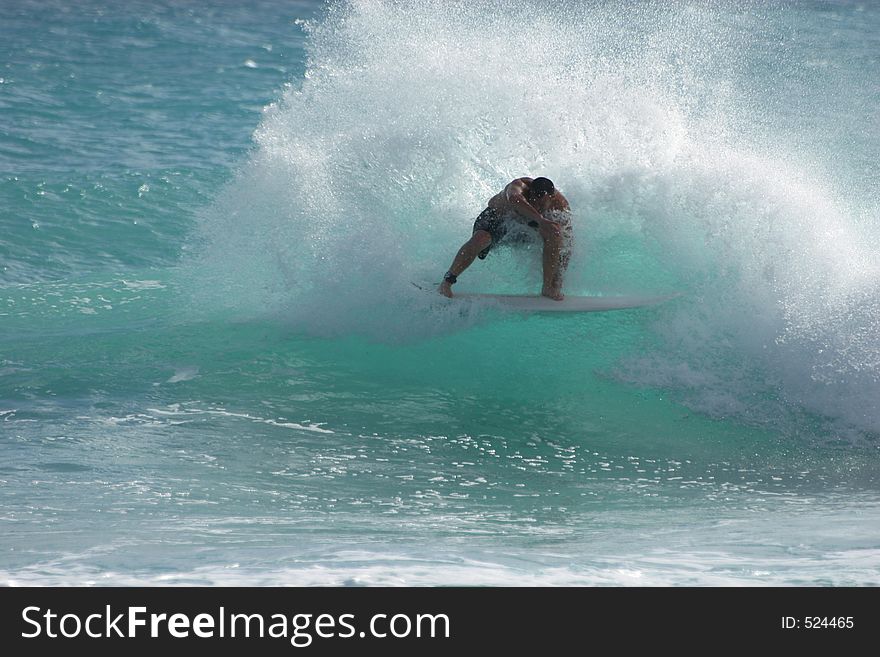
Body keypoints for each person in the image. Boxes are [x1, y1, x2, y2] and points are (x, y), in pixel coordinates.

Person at [438, 177, 571, 300]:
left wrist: (558, 281)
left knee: (556, 234)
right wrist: (540, 219)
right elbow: (513, 199)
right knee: (481, 239)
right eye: (533, 201)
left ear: (551, 197)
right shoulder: (520, 186)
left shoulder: (560, 205)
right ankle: (446, 282)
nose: (536, 206)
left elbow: (567, 246)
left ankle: (548, 287)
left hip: (523, 230)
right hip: (496, 220)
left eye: (541, 205)